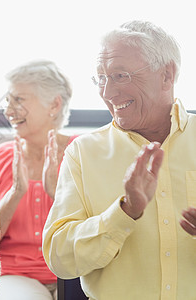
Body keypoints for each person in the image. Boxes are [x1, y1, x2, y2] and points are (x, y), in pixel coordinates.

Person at [42, 20, 196, 300]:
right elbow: (60, 258)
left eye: (120, 76)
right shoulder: (83, 153)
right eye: (101, 78)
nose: (107, 92)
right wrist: (124, 212)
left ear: (167, 75)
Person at [0, 60, 75, 300]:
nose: (8, 111)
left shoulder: (82, 153)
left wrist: (58, 195)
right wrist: (16, 192)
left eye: (19, 100)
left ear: (54, 104)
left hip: (75, 272)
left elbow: (99, 228)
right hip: (14, 277)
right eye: (8, 101)